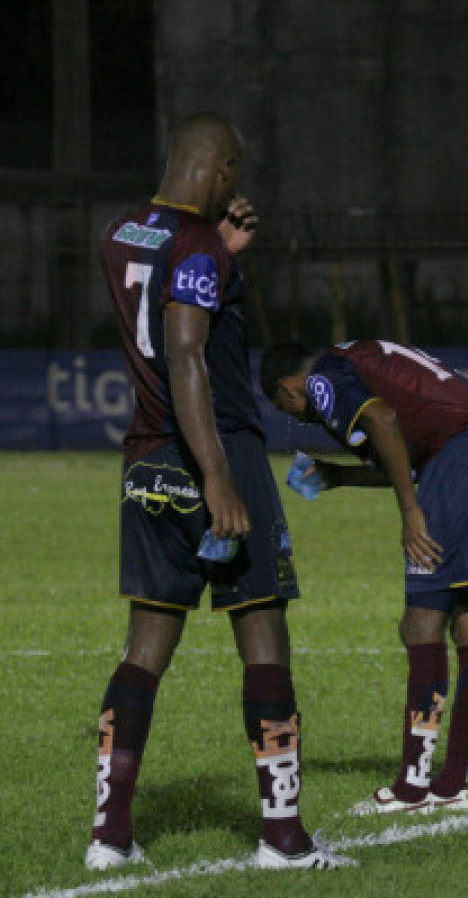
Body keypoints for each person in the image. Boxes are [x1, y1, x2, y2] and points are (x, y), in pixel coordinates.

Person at [88, 113, 347, 871]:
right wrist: (217, 475)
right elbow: (187, 354)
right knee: (262, 636)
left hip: (145, 459)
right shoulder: (196, 245)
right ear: (224, 169)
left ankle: (109, 837)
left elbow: (168, 295)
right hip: (216, 451)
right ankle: (285, 838)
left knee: (144, 647)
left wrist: (223, 259)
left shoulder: (121, 232)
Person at [260, 339, 468, 815]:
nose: (299, 418)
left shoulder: (324, 376)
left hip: (458, 459)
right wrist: (341, 477)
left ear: (289, 387)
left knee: (421, 623)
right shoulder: (360, 357)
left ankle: (412, 787)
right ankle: (453, 782)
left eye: (288, 408)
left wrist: (410, 512)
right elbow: (406, 451)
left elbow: (382, 420)